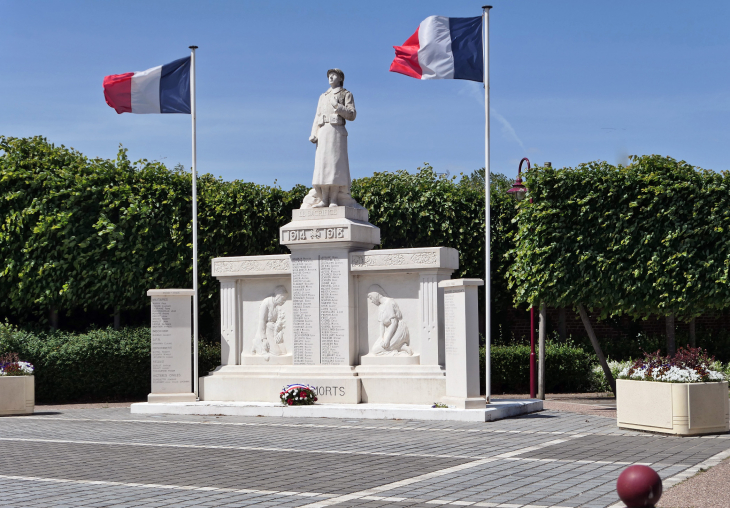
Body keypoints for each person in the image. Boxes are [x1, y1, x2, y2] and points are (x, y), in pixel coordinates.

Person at [309, 68, 356, 208]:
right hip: (323, 131)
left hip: (337, 130)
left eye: (334, 75)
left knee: (335, 165)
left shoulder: (346, 94)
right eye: (329, 75)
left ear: (340, 78)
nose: (331, 77)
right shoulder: (323, 96)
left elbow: (352, 114)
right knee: (322, 166)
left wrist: (338, 106)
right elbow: (317, 116)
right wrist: (314, 132)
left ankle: (334, 199)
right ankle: (324, 199)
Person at [367, 285, 413, 356]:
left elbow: (394, 322)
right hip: (389, 330)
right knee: (375, 349)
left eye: (371, 297)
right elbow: (381, 325)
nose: (371, 301)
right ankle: (400, 347)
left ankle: (399, 347)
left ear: (376, 294)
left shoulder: (388, 302)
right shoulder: (381, 306)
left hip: (397, 329)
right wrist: (382, 338)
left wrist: (387, 339)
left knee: (376, 350)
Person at [251, 286, 287, 356]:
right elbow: (262, 321)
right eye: (283, 299)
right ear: (278, 296)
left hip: (273, 332)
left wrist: (280, 333)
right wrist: (264, 339)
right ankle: (256, 343)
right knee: (278, 353)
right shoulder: (266, 302)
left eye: (285, 299)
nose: (284, 301)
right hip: (266, 333)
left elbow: (279, 322)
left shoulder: (277, 307)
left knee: (284, 352)